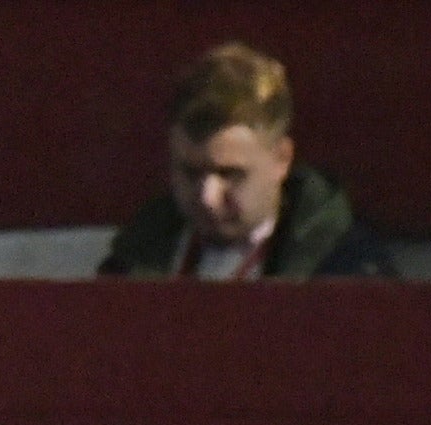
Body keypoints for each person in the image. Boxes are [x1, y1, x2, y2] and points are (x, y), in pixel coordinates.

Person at [100, 42, 397, 280]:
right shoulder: (134, 255)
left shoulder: (348, 272)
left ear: (282, 159)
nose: (208, 198)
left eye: (231, 174)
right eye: (190, 173)